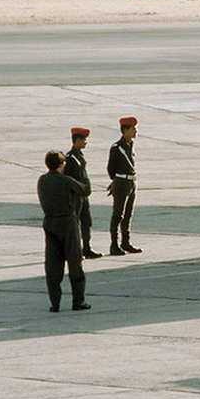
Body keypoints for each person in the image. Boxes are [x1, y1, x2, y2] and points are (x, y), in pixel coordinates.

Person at [37, 150, 91, 312]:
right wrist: (84, 175)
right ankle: (78, 300)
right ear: (61, 165)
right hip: (67, 222)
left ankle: (55, 303)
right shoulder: (66, 181)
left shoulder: (42, 180)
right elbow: (85, 190)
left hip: (49, 221)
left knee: (53, 263)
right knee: (74, 262)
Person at [64, 126, 101, 259]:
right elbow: (67, 180)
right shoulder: (70, 158)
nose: (86, 142)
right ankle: (76, 250)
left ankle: (87, 248)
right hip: (75, 196)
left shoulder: (78, 155)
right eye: (84, 140)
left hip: (83, 195)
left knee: (86, 222)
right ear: (77, 140)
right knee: (75, 224)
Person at [107, 116, 142, 255]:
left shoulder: (130, 145)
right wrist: (116, 181)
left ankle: (126, 242)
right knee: (118, 215)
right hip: (121, 182)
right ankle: (114, 245)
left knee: (128, 214)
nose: (135, 131)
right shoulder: (117, 147)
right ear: (125, 130)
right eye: (133, 129)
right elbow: (111, 168)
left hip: (131, 182)